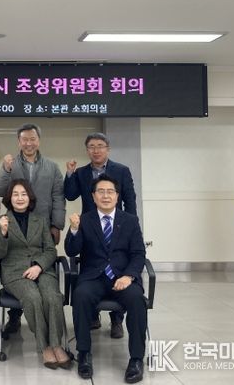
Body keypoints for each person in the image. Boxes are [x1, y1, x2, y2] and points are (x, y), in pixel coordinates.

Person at [65, 174, 147, 383]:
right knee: (81, 295)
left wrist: (129, 276)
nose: (106, 196)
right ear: (93, 196)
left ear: (117, 196)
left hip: (122, 277)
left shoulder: (130, 221)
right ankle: (84, 353)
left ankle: (136, 359)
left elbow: (138, 254)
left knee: (136, 299)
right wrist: (74, 229)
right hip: (94, 277)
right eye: (101, 191)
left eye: (110, 191)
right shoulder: (85, 220)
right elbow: (71, 251)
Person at [64, 132, 137, 338]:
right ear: (87, 150)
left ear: (108, 149)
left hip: (117, 227)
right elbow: (70, 195)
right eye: (92, 147)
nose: (96, 150)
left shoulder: (121, 170)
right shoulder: (81, 172)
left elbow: (130, 201)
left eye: (100, 146)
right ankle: (92, 315)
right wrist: (69, 174)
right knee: (93, 269)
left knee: (116, 270)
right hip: (90, 231)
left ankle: (116, 319)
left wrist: (132, 227)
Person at [0, 123, 65, 334]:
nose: (29, 143)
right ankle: (15, 316)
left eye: (32, 139)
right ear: (19, 142)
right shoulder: (11, 164)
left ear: (39, 141)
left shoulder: (52, 167)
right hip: (17, 225)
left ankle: (49, 327)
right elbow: (0, 190)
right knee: (20, 268)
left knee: (43, 274)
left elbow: (58, 197)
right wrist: (6, 170)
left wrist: (57, 224)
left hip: (42, 226)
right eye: (24, 139)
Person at [0, 179, 69, 369]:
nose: (20, 198)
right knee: (32, 297)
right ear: (9, 198)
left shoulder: (40, 220)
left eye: (23, 194)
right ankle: (44, 347)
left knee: (52, 297)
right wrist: (3, 233)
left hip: (41, 269)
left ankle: (56, 344)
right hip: (14, 272)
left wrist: (39, 266)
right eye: (15, 194)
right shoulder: (2, 221)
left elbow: (50, 250)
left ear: (30, 197)